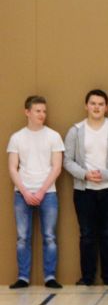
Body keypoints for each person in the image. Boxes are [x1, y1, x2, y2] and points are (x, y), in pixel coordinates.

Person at [63, 89, 108, 286]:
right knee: (87, 235)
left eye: (101, 104)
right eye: (93, 103)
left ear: (106, 107)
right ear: (86, 106)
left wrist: (106, 174)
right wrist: (84, 174)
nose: (96, 107)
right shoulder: (75, 131)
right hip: (84, 191)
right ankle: (87, 277)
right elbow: (67, 160)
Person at [8, 95, 65, 289]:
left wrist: (41, 191)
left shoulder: (54, 136)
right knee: (23, 237)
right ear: (27, 112)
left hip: (47, 193)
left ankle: (50, 276)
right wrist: (25, 192)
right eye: (38, 111)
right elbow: (12, 168)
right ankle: (23, 277)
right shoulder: (16, 137)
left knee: (49, 236)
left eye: (44, 111)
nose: (42, 114)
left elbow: (56, 168)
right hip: (22, 194)